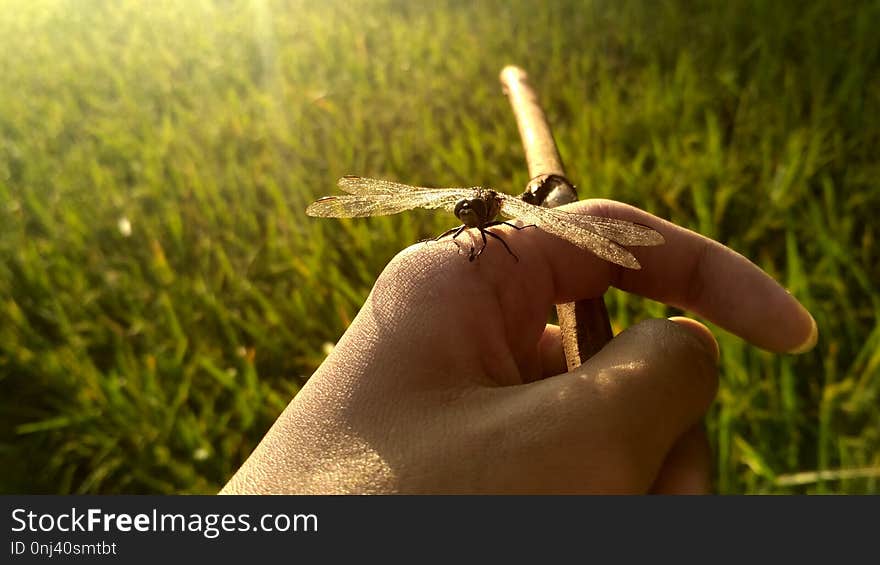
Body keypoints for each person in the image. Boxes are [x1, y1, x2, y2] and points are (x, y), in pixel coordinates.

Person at [221, 199, 817, 494]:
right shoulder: (465, 232)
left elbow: (499, 240)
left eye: (471, 214)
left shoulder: (505, 225)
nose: (465, 218)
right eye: (465, 215)